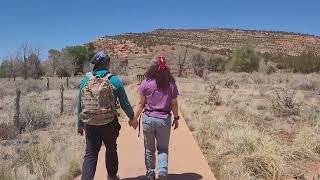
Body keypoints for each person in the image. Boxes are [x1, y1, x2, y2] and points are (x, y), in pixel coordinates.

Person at [77, 51, 138, 180]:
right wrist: (132, 117)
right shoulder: (113, 80)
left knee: (90, 155)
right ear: (106, 64)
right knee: (111, 150)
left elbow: (80, 104)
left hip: (90, 124)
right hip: (109, 123)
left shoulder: (86, 80)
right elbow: (124, 103)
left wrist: (80, 124)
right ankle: (111, 177)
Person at [131, 56, 180, 180]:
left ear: (153, 67)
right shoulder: (171, 84)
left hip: (148, 119)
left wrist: (134, 119)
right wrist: (176, 118)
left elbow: (141, 104)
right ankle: (162, 171)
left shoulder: (146, 82)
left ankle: (150, 174)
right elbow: (174, 103)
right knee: (163, 149)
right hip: (164, 120)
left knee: (149, 149)